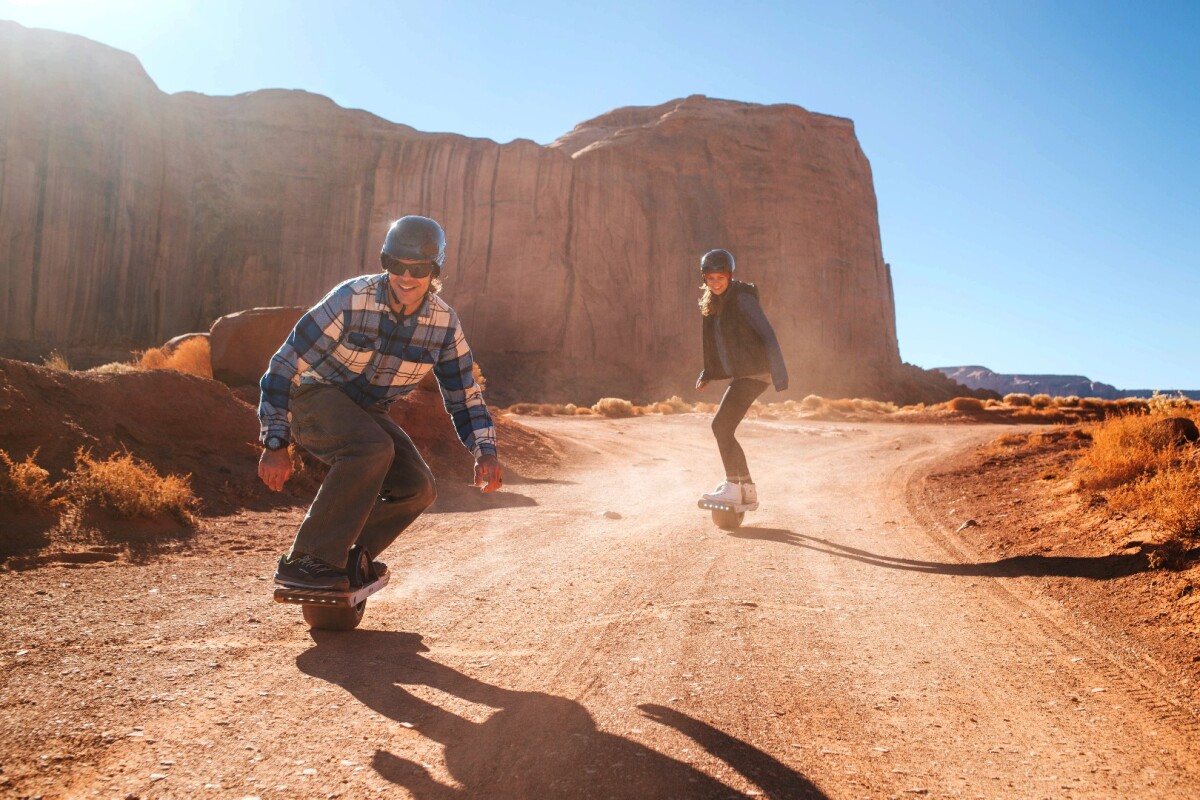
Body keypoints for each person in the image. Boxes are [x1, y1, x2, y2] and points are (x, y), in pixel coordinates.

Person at [258, 215, 503, 590]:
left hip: (366, 412)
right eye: (396, 265)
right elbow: (285, 363)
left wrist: (484, 450)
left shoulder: (444, 325)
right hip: (313, 396)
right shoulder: (350, 299)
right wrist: (275, 443)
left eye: (418, 269)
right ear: (385, 262)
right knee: (373, 448)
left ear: (434, 271)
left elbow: (464, 394)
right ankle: (309, 559)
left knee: (418, 487)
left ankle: (348, 557)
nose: (406, 277)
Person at [694, 248, 787, 506]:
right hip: (746, 374)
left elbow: (767, 333)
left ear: (730, 275)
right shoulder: (716, 303)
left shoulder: (742, 298)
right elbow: (717, 344)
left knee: (720, 426)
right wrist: (708, 373)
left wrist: (779, 373)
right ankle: (746, 487)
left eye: (720, 278)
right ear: (704, 279)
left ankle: (733, 486)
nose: (715, 283)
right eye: (710, 278)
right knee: (725, 427)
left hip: (755, 373)